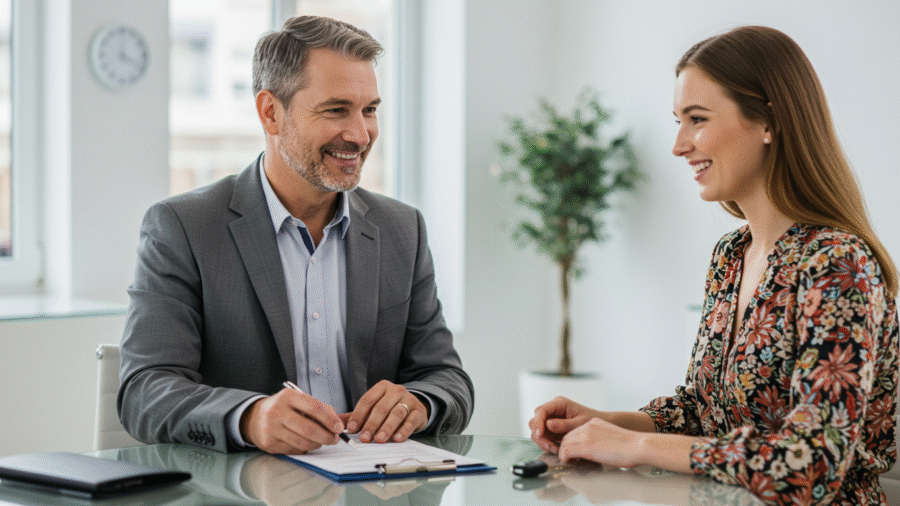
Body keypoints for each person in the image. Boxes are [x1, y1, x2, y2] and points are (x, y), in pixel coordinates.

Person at [529, 25, 898, 505]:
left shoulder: (837, 264)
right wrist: (605, 423)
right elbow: (704, 413)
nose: (679, 145)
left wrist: (638, 446)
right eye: (678, 121)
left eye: (697, 119)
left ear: (769, 120)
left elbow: (812, 464)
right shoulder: (731, 256)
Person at [118, 15, 474, 455]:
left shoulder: (402, 229)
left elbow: (449, 380)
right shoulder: (183, 227)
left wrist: (419, 403)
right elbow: (144, 391)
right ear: (271, 112)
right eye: (336, 110)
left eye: (370, 110)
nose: (360, 134)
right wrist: (249, 418)